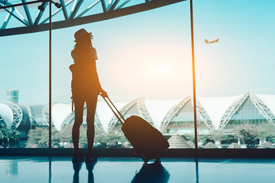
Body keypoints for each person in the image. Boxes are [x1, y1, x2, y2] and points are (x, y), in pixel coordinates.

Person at [69, 28, 107, 161]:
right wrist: (100, 88)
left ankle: (76, 151)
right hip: (91, 89)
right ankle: (90, 152)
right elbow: (93, 71)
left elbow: (80, 71)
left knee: (77, 120)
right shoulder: (92, 51)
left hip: (78, 88)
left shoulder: (74, 52)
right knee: (90, 121)